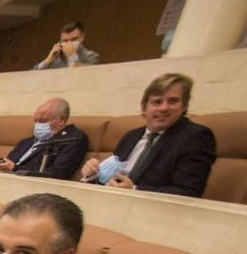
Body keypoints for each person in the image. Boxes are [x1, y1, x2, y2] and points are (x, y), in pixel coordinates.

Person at [78, 73, 216, 198]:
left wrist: (134, 189)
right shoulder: (131, 136)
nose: (164, 108)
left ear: (184, 106)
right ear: (144, 107)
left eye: (173, 101)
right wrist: (93, 175)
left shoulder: (196, 136)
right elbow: (112, 180)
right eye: (157, 101)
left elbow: (189, 193)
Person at [0, 98, 88, 180]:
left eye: (42, 121)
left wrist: (15, 168)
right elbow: (9, 163)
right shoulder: (25, 142)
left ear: (62, 119)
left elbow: (58, 173)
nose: (37, 125)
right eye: (35, 121)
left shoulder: (73, 138)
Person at [34, 21, 100, 70]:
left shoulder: (91, 57)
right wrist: (47, 60)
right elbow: (31, 76)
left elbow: (80, 78)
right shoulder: (55, 58)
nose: (69, 43)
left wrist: (72, 56)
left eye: (74, 39)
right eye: (65, 41)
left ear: (82, 37)